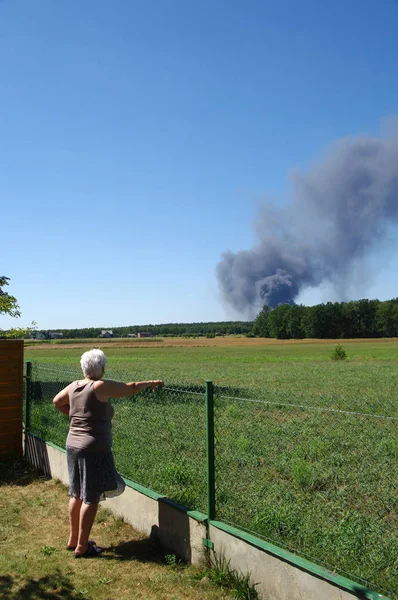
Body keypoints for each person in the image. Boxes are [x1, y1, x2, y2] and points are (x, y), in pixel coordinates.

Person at [53, 348, 164, 558]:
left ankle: (73, 539)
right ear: (101, 368)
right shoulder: (100, 386)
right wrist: (151, 383)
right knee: (90, 496)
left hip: (72, 445)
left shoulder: (74, 386)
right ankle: (82, 547)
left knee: (76, 492)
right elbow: (130, 388)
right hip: (93, 448)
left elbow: (56, 402)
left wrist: (75, 418)